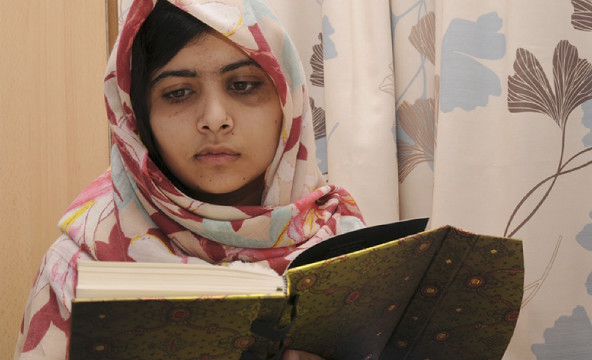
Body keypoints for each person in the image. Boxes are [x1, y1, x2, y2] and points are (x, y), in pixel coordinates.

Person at [14, 0, 364, 359]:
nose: (214, 119)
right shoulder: (78, 264)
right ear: (139, 118)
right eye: (178, 92)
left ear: (287, 100)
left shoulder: (349, 248)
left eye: (243, 85)